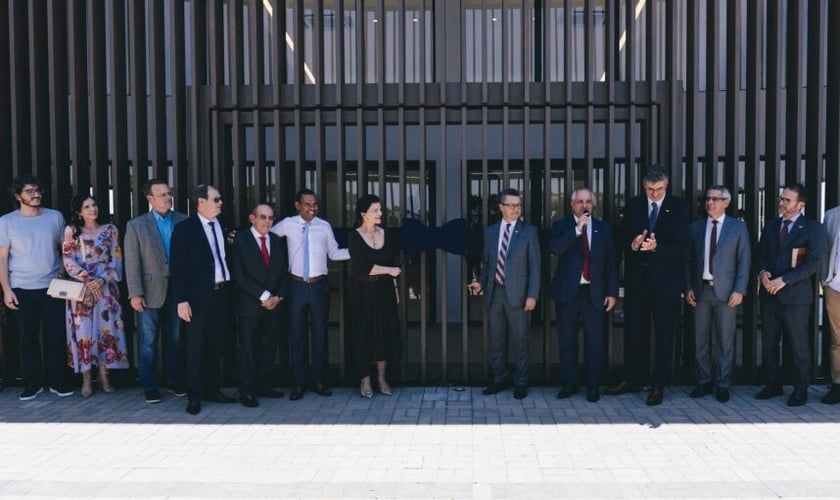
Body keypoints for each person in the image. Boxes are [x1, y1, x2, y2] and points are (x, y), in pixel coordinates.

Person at [606, 166, 689, 406]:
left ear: (667, 185)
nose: (654, 194)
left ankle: (658, 384)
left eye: (659, 189)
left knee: (664, 334)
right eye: (650, 189)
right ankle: (632, 379)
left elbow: (682, 246)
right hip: (638, 282)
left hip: (666, 283)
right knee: (634, 331)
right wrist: (632, 244)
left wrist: (657, 248)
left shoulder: (679, 207)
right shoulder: (634, 205)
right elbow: (621, 237)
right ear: (644, 187)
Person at [270, 189, 350, 401]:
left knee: (320, 334)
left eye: (315, 204)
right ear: (297, 205)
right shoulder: (287, 224)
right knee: (297, 334)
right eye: (307, 204)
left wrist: (358, 252)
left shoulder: (323, 226)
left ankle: (319, 380)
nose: (312, 208)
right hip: (295, 285)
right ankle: (299, 382)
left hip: (318, 286)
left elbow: (334, 253)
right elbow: (266, 238)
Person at [0, 176, 74, 400]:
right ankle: (32, 383)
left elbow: (65, 249)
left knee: (56, 336)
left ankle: (57, 381)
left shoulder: (55, 217)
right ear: (18, 196)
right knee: (27, 338)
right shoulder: (6, 222)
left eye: (37, 190)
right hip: (21, 287)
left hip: (52, 286)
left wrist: (62, 274)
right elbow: (2, 259)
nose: (35, 194)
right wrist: (6, 290)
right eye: (29, 191)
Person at [755, 182, 825, 406]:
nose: (781, 203)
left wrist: (783, 280)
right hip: (769, 294)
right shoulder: (771, 226)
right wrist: (764, 273)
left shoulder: (813, 229)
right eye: (781, 198)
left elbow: (813, 263)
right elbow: (761, 255)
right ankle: (772, 385)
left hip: (796, 297)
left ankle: (800, 389)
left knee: (798, 345)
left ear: (800, 205)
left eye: (787, 200)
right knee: (769, 343)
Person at [469, 188, 541, 400]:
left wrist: (532, 295)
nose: (515, 209)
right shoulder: (490, 232)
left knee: (520, 341)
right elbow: (488, 264)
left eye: (518, 205)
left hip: (519, 294)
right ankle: (499, 379)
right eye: (510, 205)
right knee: (497, 340)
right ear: (501, 207)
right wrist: (480, 283)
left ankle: (521, 382)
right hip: (495, 293)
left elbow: (535, 267)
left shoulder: (529, 231)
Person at [171, 184, 237, 415]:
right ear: (201, 201)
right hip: (198, 297)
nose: (220, 202)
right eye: (216, 199)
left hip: (222, 293)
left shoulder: (223, 224)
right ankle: (194, 395)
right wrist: (181, 300)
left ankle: (213, 388)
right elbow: (178, 267)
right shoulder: (185, 229)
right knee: (196, 346)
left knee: (217, 344)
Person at [550, 187, 618, 403]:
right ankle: (570, 383)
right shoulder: (561, 226)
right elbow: (556, 249)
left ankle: (592, 385)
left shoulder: (604, 229)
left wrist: (612, 292)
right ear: (572, 204)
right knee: (567, 340)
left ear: (593, 204)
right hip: (568, 293)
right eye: (580, 201)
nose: (584, 205)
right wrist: (577, 231)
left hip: (594, 293)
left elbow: (611, 263)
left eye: (588, 201)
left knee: (594, 341)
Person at [684, 185, 751, 403]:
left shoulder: (738, 228)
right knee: (700, 340)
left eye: (715, 199)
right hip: (701, 291)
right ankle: (703, 382)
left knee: (725, 341)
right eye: (707, 199)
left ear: (726, 202)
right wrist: (688, 287)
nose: (710, 202)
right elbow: (688, 261)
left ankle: (722, 384)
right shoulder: (694, 228)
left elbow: (744, 261)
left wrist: (739, 290)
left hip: (726, 294)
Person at [124, 179, 188, 404]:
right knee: (148, 340)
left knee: (176, 338)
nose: (167, 198)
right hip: (150, 291)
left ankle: (174, 381)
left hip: (179, 290)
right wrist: (135, 293)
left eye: (168, 193)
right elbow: (132, 262)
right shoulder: (136, 225)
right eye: (161, 195)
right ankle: (149, 386)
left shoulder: (184, 220)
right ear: (149, 198)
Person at [62, 194, 130, 397]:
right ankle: (85, 378)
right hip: (81, 289)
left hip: (106, 288)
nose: (92, 208)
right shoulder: (71, 232)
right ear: (79, 212)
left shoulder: (111, 230)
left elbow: (116, 258)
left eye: (94, 204)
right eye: (87, 206)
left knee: (105, 331)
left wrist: (102, 279)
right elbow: (68, 260)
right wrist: (88, 280)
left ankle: (104, 375)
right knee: (83, 333)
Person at [230, 203, 289, 408]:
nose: (267, 221)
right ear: (252, 218)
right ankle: (247, 391)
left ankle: (264, 385)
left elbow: (284, 272)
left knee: (268, 347)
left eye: (271, 218)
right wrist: (264, 295)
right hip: (250, 305)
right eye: (262, 217)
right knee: (248, 349)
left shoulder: (277, 241)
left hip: (274, 305)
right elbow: (239, 275)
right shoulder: (241, 240)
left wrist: (277, 297)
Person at [347, 194, 402, 398]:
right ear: (364, 214)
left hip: (385, 291)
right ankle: (365, 380)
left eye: (380, 209)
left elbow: (397, 263)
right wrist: (388, 270)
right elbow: (361, 269)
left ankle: (381, 378)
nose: (380, 213)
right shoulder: (354, 236)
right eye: (375, 210)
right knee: (363, 335)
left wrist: (395, 289)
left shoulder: (386, 234)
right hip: (362, 292)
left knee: (384, 335)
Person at [821, 205, 840, 404]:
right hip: (835, 286)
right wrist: (824, 280)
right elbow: (825, 249)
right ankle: (837, 384)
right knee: (837, 339)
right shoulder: (832, 216)